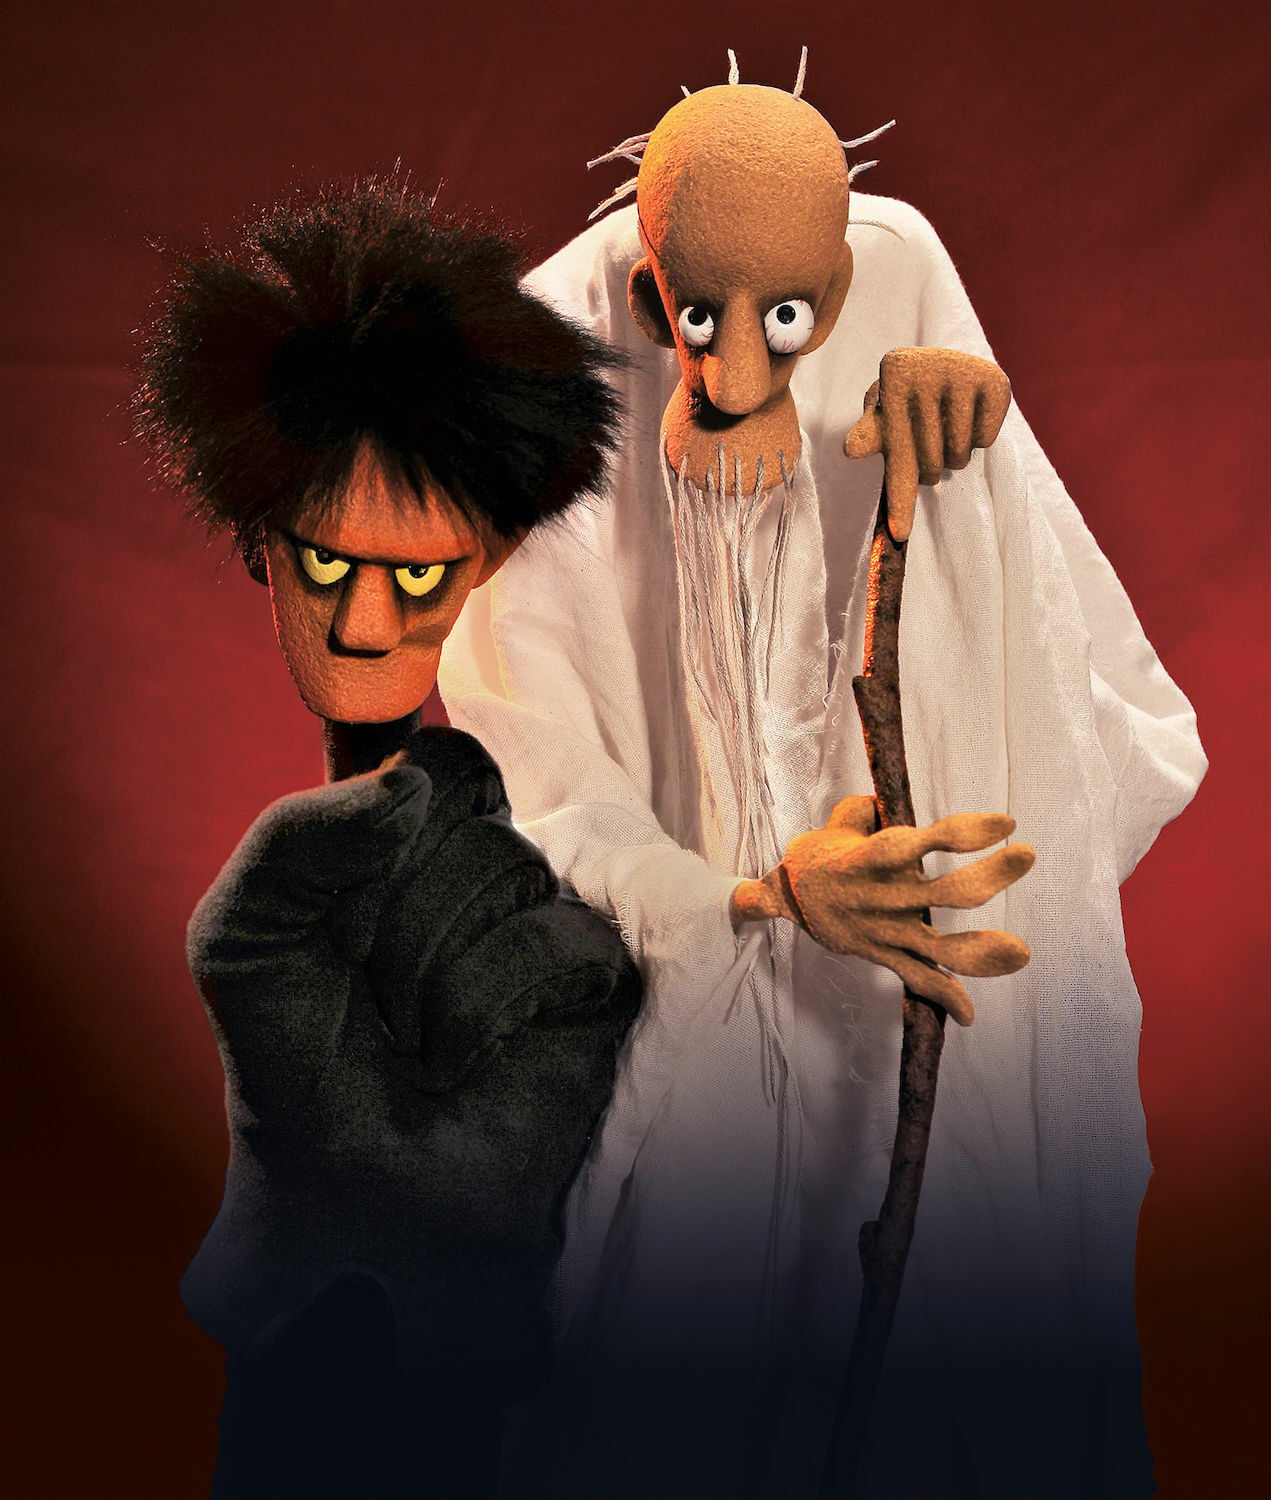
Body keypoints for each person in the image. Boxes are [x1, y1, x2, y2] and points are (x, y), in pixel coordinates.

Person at [439, 69, 1206, 1498]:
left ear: (840, 296)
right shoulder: (560, 356)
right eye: (695, 322)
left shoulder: (903, 279)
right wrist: (751, 897)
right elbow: (526, 768)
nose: (733, 379)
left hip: (907, 1076)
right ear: (650, 296)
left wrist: (973, 476)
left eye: (786, 322)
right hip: (684, 1077)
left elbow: (1106, 718)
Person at [133, 175, 641, 1499]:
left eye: (416, 575)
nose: (365, 627)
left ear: (492, 559)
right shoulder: (297, 895)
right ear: (259, 544)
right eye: (324, 564)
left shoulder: (545, 845)